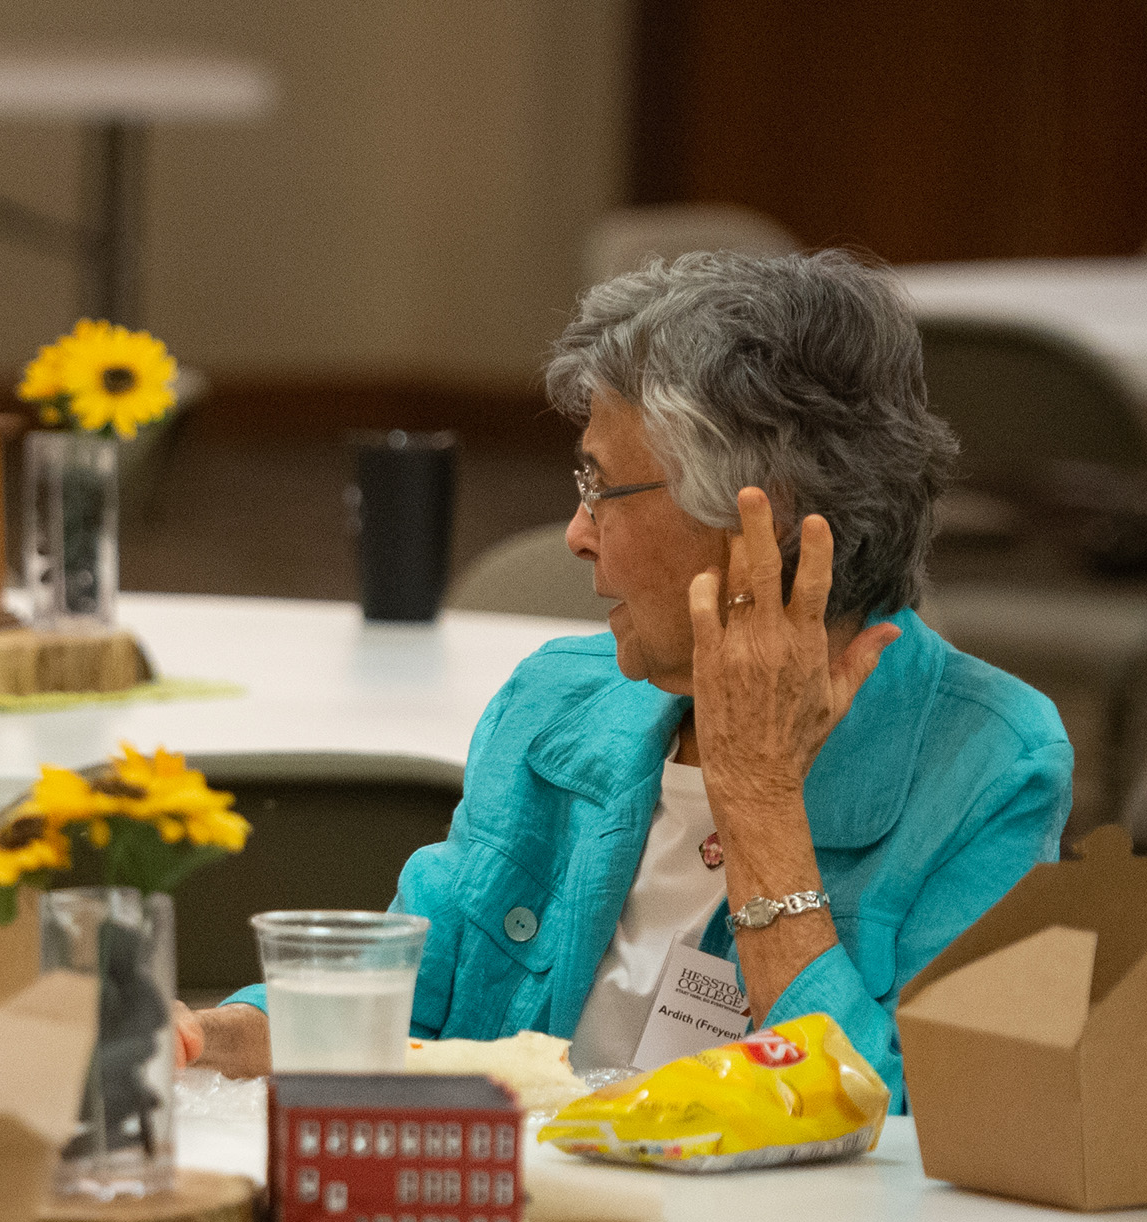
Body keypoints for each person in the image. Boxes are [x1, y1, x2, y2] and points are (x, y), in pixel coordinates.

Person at [189, 251, 1072, 1103]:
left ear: (754, 526)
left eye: (602, 486)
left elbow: (906, 1132)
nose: (575, 531)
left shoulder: (990, 767)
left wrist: (758, 798)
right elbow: (405, 1011)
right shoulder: (555, 706)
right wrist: (207, 1036)